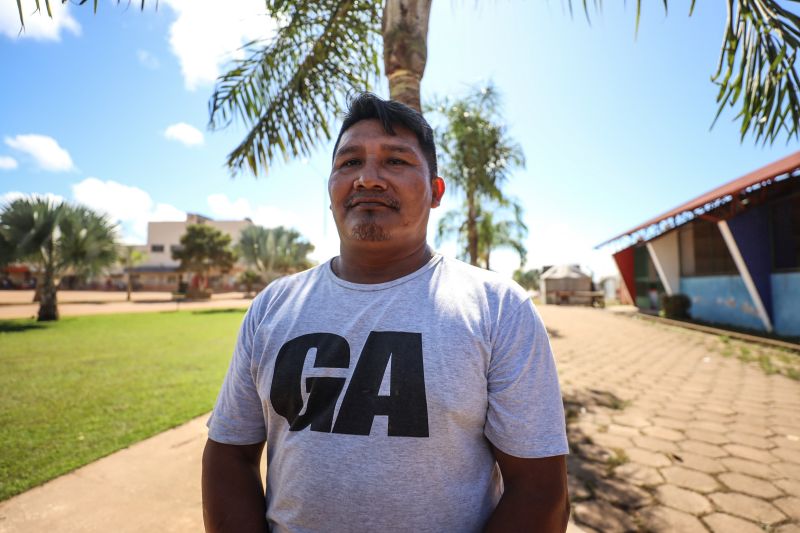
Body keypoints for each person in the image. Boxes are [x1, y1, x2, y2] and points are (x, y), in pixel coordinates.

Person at [202, 93, 570, 533]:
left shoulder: (499, 308)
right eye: (349, 162)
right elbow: (230, 453)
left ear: (435, 191)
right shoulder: (273, 306)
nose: (368, 179)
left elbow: (540, 490)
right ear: (330, 187)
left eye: (396, 161)